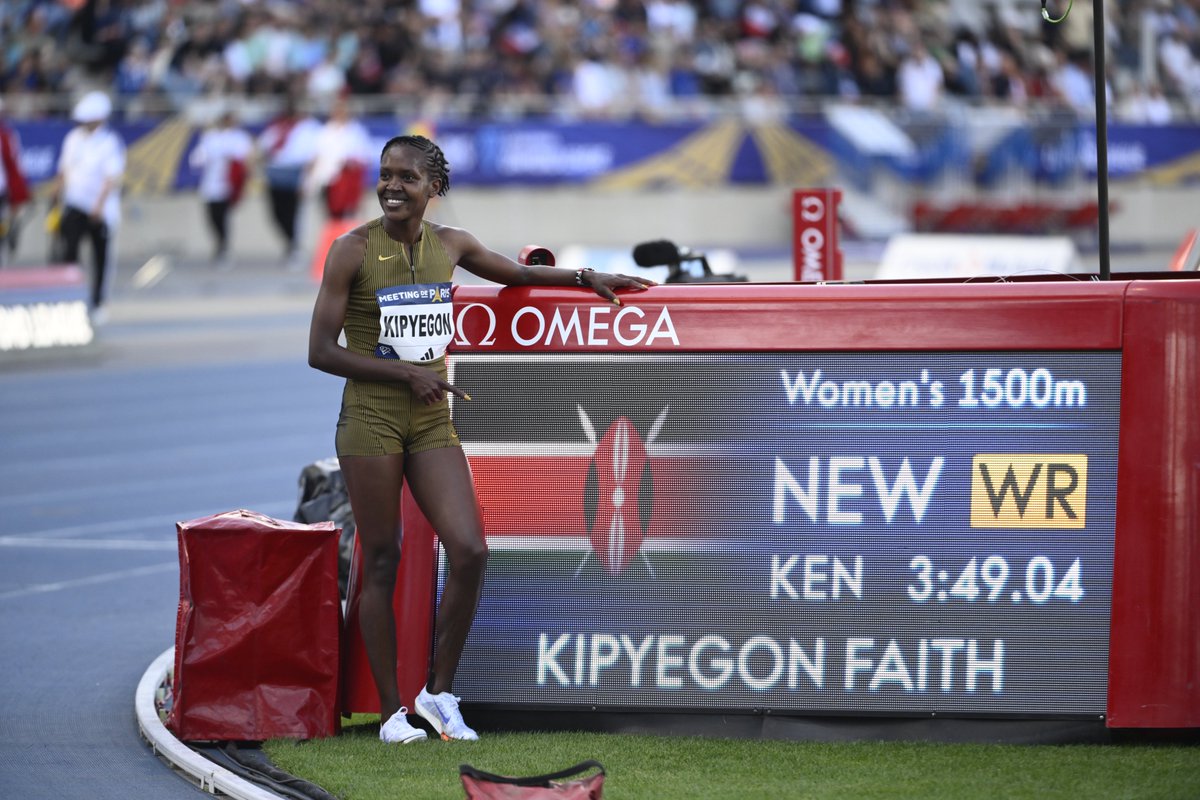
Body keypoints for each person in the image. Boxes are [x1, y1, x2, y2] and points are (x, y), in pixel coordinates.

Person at [307, 134, 653, 744]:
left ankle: (437, 695)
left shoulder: (452, 245)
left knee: (469, 549)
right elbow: (319, 352)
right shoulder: (351, 250)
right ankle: (391, 715)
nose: (392, 186)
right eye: (385, 175)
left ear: (432, 188)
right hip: (372, 418)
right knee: (381, 556)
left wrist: (586, 276)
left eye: (406, 177)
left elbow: (516, 274)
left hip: (430, 417)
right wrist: (405, 372)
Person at [52, 90, 125, 322]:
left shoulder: (110, 142)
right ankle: (68, 301)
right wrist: (57, 191)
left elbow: (111, 178)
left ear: (99, 119)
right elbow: (63, 168)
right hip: (74, 203)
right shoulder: (73, 138)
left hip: (99, 210)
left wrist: (99, 206)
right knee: (68, 253)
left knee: (100, 257)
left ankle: (98, 302)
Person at [257, 95, 320, 270]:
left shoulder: (309, 127)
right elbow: (263, 147)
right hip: (276, 173)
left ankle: (295, 248)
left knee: (295, 214)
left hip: (296, 173)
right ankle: (289, 242)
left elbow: (314, 155)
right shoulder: (277, 126)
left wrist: (307, 179)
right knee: (277, 214)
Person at [188, 109, 254, 269]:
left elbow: (247, 159)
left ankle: (224, 247)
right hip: (211, 184)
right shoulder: (211, 138)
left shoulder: (239, 138)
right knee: (212, 217)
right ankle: (219, 244)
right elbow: (197, 159)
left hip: (227, 185)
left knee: (223, 217)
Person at [305, 95, 372, 223]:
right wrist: (309, 180)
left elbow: (364, 156)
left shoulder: (356, 131)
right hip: (327, 178)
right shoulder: (325, 131)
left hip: (347, 178)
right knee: (330, 214)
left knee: (348, 215)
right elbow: (316, 156)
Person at [0, 97, 32, 266]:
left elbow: (13, 166)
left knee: (3, 231)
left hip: (1, 192)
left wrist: (18, 196)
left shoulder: (6, 137)